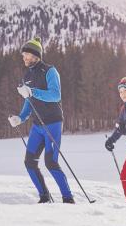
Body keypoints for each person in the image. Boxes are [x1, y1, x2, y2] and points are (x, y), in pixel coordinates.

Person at [8, 37, 75, 204]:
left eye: (26, 55)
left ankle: (68, 199)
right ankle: (44, 197)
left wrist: (32, 91)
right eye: (23, 55)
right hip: (37, 126)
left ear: (35, 55)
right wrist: (20, 118)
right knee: (29, 162)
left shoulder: (50, 71)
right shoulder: (27, 75)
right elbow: (28, 100)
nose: (24, 58)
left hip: (52, 123)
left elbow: (55, 95)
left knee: (51, 163)